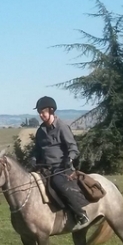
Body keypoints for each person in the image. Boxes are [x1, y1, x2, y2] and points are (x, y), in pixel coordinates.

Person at [31, 96, 89, 229]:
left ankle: (81, 213)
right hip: (45, 168)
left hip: (62, 168)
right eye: (39, 112)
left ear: (51, 111)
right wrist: (33, 158)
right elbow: (37, 150)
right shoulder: (40, 131)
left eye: (43, 111)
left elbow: (73, 147)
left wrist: (69, 159)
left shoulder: (62, 127)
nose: (41, 114)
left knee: (58, 184)